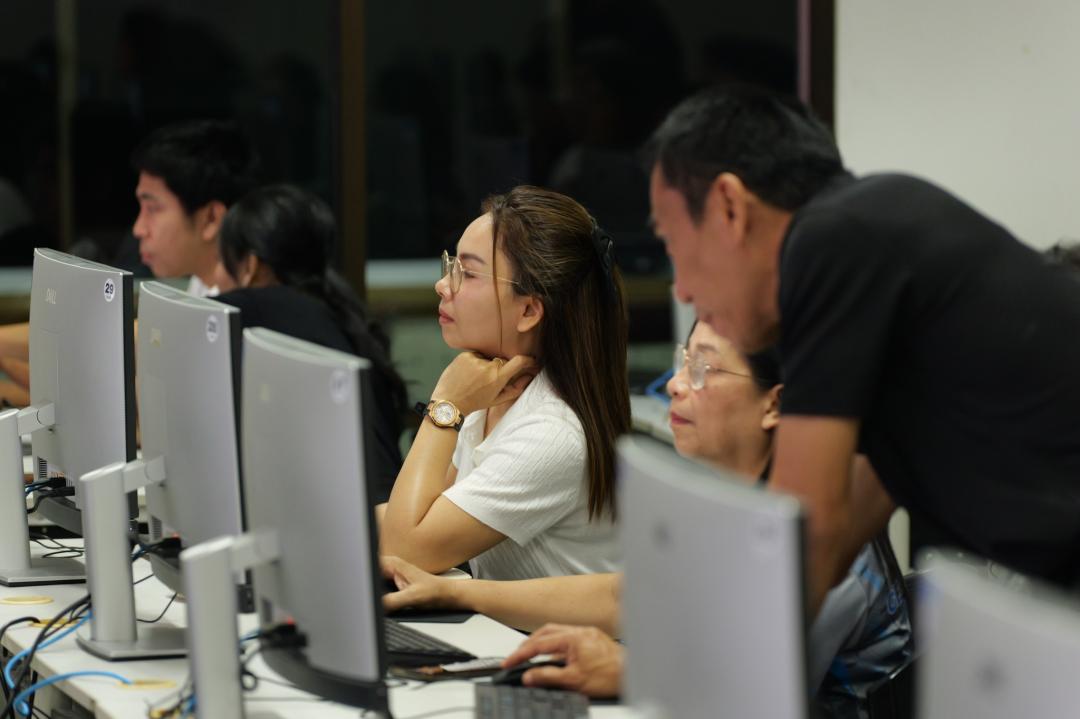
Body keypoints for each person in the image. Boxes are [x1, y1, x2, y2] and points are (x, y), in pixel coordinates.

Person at [642, 85, 1080, 616]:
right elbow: (826, 543)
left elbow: (808, 535)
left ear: (729, 207)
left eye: (673, 243)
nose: (683, 290)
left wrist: (651, 659)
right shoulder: (870, 252)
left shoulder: (834, 241)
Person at [385, 322, 912, 717]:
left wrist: (628, 668)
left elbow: (749, 689)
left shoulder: (830, 541)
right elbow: (627, 595)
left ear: (774, 404)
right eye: (683, 362)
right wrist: (457, 594)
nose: (675, 386)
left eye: (703, 370)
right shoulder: (727, 494)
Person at [379, 185, 630, 580]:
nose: (443, 285)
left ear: (528, 310)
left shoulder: (552, 432)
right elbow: (413, 513)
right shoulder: (494, 388)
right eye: (450, 265)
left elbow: (404, 550)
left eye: (467, 273)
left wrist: (445, 406)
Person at [0, 119, 257, 399]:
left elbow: (111, 341)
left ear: (211, 218)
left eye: (153, 208)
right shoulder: (202, 284)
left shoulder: (245, 307)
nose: (138, 229)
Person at [211, 184, 405, 505]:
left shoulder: (261, 306)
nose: (215, 279)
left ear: (250, 266)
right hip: (377, 510)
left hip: (360, 520)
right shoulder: (337, 313)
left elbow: (184, 323)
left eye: (221, 261)